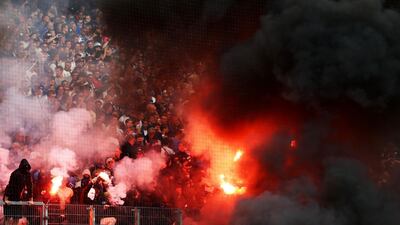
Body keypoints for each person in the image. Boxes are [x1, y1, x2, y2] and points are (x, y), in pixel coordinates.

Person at [3, 159, 33, 225]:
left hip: (18, 198)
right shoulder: (15, 173)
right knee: (8, 216)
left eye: (27, 168)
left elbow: (29, 187)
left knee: (16, 217)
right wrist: (6, 199)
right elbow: (10, 186)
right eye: (25, 167)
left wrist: (31, 199)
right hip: (10, 196)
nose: (26, 169)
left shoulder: (28, 174)